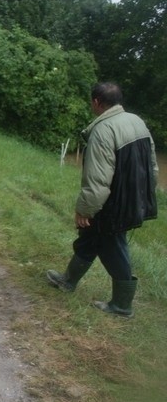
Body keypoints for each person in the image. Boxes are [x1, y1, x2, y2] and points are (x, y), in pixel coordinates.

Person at [46, 82, 158, 317]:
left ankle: (122, 305)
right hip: (133, 198)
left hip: (112, 204)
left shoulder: (103, 130)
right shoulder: (136, 121)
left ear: (96, 102)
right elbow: (153, 166)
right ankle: (68, 281)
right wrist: (145, 194)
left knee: (112, 247)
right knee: (89, 238)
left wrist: (85, 209)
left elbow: (98, 179)